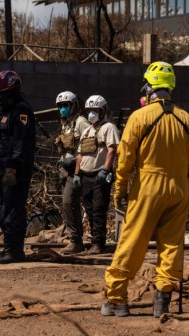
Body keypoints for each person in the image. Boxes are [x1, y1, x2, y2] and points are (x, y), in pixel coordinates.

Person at [102, 62, 189, 317]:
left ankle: (117, 299)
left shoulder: (139, 117)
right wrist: (186, 190)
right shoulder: (188, 121)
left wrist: (120, 190)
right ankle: (162, 302)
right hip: (180, 188)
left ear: (148, 87)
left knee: (132, 242)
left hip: (148, 186)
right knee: (171, 246)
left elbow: (125, 160)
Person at [0, 70, 36, 264]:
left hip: (14, 170)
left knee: (13, 208)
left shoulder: (21, 111)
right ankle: (8, 247)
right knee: (2, 209)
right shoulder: (4, 113)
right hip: (0, 168)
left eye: (3, 93)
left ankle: (14, 251)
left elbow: (21, 144)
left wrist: (12, 168)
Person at [73, 95, 119, 255]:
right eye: (89, 110)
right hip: (86, 176)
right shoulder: (87, 131)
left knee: (99, 209)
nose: (92, 113)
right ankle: (94, 240)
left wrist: (105, 169)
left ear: (103, 110)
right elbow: (80, 154)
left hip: (100, 175)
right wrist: (77, 174)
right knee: (90, 209)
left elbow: (112, 149)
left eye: (95, 110)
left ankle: (98, 243)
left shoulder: (109, 128)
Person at [54, 91, 90, 254]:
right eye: (60, 106)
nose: (62, 108)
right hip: (64, 169)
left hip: (76, 169)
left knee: (69, 202)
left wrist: (75, 161)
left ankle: (76, 240)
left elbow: (89, 145)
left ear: (73, 105)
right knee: (69, 205)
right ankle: (76, 240)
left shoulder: (81, 122)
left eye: (65, 105)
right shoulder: (66, 124)